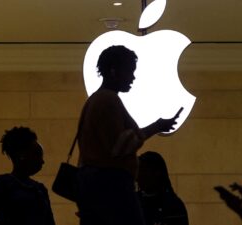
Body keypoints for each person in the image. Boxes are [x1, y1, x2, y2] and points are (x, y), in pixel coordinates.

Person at [75, 45, 182, 225]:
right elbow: (120, 146)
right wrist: (156, 127)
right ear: (114, 71)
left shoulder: (95, 100)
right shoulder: (108, 100)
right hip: (112, 187)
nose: (132, 77)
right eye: (129, 71)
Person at [0, 127, 56, 225]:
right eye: (37, 155)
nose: (42, 161)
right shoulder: (1, 184)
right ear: (21, 155)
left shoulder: (40, 189)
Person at [137, 151, 189, 225]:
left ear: (157, 173)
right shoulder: (135, 201)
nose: (138, 178)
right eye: (138, 172)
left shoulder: (173, 206)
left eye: (143, 172)